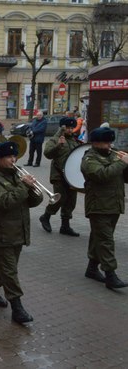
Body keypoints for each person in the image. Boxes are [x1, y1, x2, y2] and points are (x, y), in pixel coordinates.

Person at [0, 141, 43, 324]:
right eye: (9, 157)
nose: (13, 160)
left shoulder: (16, 175)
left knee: (5, 266)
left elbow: (31, 202)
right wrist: (24, 186)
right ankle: (17, 308)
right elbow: (5, 202)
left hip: (18, 230)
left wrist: (34, 190)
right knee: (9, 271)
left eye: (14, 156)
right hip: (2, 232)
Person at [81, 127, 128, 289]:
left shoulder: (112, 155)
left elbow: (121, 175)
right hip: (98, 206)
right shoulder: (89, 158)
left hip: (114, 204)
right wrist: (121, 163)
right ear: (95, 143)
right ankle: (110, 275)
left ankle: (92, 269)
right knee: (106, 241)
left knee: (99, 238)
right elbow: (102, 175)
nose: (110, 145)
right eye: (106, 142)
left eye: (110, 142)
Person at [40, 117, 80, 236]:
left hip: (71, 176)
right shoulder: (55, 139)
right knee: (60, 198)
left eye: (72, 128)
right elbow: (47, 154)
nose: (70, 130)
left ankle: (65, 226)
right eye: (68, 127)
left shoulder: (74, 140)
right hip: (58, 175)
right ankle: (46, 216)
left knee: (71, 201)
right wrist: (58, 145)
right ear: (62, 127)